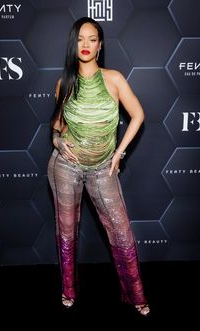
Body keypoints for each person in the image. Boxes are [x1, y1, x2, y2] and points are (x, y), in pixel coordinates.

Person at [47, 16, 150, 316]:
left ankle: (136, 296)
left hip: (103, 167)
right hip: (65, 167)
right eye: (80, 39)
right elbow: (56, 128)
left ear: (100, 45)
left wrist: (119, 153)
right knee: (66, 232)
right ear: (73, 44)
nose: (86, 45)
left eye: (92, 39)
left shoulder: (114, 79)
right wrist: (57, 142)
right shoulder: (64, 82)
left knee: (122, 233)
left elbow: (138, 115)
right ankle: (68, 290)